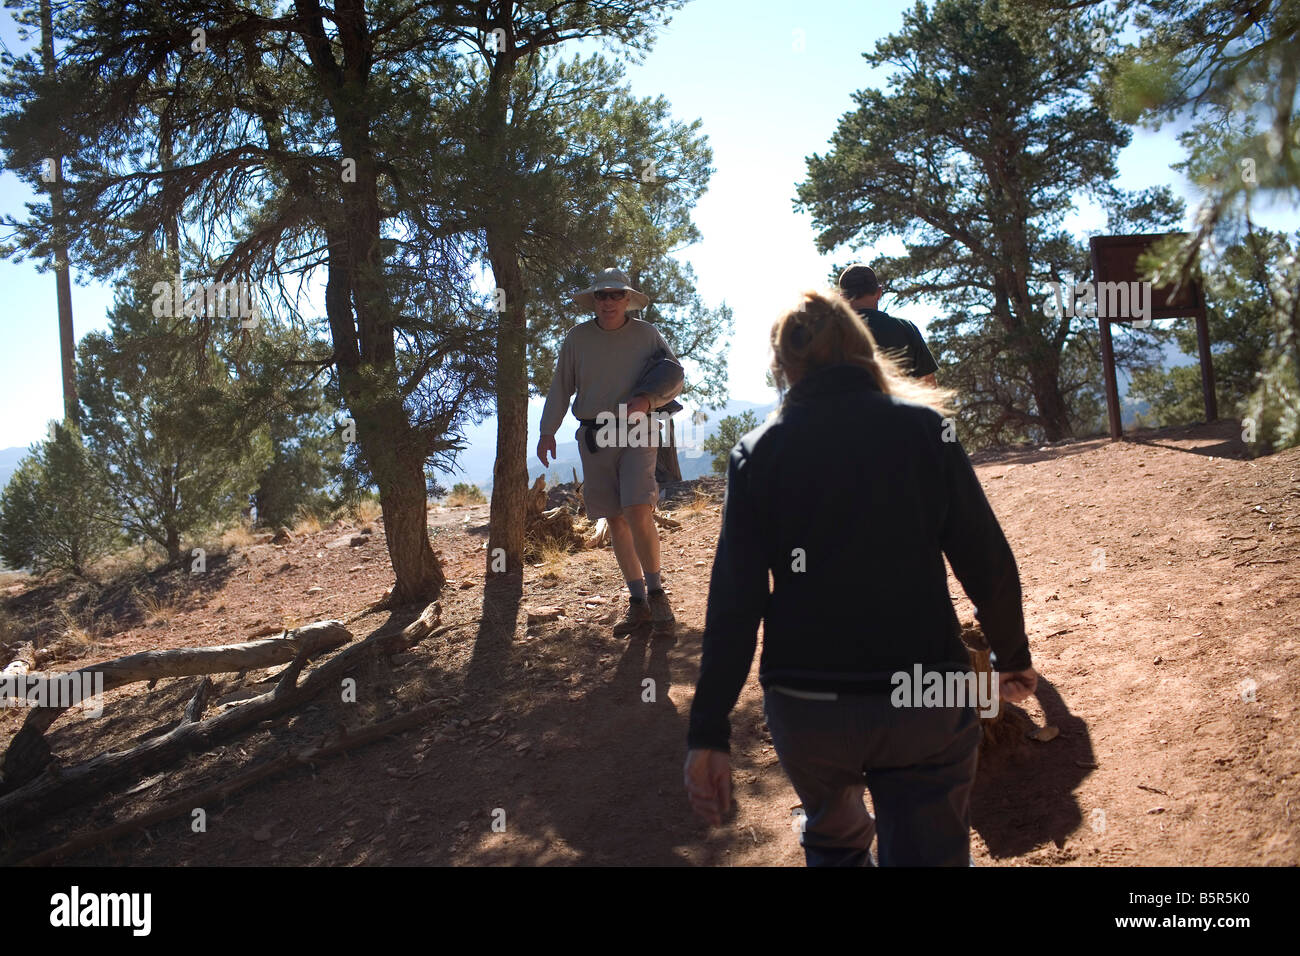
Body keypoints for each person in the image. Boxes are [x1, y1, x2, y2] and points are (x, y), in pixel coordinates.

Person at [683, 288, 1037, 866]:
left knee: (835, 840)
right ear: (862, 345)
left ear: (782, 366)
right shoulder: (925, 430)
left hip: (809, 703)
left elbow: (734, 604)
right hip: (927, 691)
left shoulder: (757, 454)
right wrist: (1011, 657)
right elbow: (986, 559)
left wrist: (708, 732)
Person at [538, 268, 683, 637]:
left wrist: (647, 399)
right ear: (594, 301)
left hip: (638, 429)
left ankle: (657, 593)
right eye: (602, 295)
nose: (608, 301)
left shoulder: (648, 334)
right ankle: (638, 604)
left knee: (637, 508)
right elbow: (560, 388)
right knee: (615, 518)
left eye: (616, 295)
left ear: (627, 299)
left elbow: (674, 376)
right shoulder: (577, 338)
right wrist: (546, 431)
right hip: (594, 436)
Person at [838, 264, 939, 386]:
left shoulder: (829, 333)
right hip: (896, 403)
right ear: (879, 292)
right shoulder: (906, 328)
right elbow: (929, 386)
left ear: (842, 298)